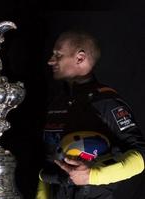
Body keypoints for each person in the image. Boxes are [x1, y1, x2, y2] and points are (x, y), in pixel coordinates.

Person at [36, 30, 145, 199]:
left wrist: (93, 175)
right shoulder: (57, 103)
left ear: (80, 58)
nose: (50, 61)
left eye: (58, 55)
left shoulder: (105, 100)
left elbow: (141, 156)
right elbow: (49, 161)